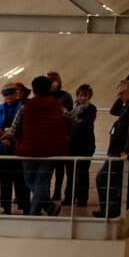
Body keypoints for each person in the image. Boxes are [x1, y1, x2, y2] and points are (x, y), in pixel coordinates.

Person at [14, 75, 70, 216]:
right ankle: (45, 207)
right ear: (49, 89)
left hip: (29, 149)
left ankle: (38, 211)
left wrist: (8, 136)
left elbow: (15, 128)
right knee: (42, 183)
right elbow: (74, 120)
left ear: (33, 89)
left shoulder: (25, 106)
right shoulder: (57, 106)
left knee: (29, 180)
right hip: (50, 151)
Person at [95, 79, 129, 217]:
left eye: (122, 93)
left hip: (122, 151)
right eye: (118, 94)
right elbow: (114, 111)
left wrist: (128, 149)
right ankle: (109, 210)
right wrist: (122, 98)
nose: (119, 96)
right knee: (112, 180)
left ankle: (110, 210)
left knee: (104, 178)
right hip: (119, 149)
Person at [0, 83, 29, 215]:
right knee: (4, 180)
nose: (8, 97)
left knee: (21, 180)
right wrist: (2, 137)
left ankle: (24, 206)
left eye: (11, 93)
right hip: (2, 148)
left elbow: (24, 127)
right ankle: (5, 207)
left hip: (17, 147)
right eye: (5, 94)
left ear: (16, 93)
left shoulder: (23, 107)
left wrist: (12, 138)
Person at [62, 84, 97, 207]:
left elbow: (85, 124)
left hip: (86, 145)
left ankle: (82, 199)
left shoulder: (92, 109)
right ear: (77, 95)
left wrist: (68, 116)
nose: (83, 98)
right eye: (81, 95)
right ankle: (69, 198)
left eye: (85, 95)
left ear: (89, 97)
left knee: (83, 173)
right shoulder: (73, 108)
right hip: (72, 144)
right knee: (70, 173)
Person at [47, 72, 74, 201]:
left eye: (54, 80)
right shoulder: (44, 96)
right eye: (50, 81)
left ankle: (57, 192)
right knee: (47, 168)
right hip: (47, 136)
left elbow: (69, 115)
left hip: (61, 135)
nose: (53, 83)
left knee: (60, 167)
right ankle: (45, 194)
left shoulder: (65, 96)